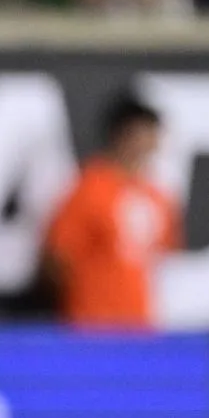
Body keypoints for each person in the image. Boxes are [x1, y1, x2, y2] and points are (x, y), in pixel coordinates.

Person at [43, 94, 181, 332]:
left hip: (141, 329)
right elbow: (57, 257)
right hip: (93, 330)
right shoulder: (91, 188)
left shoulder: (157, 196)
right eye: (144, 132)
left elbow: (160, 258)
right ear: (123, 133)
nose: (152, 141)